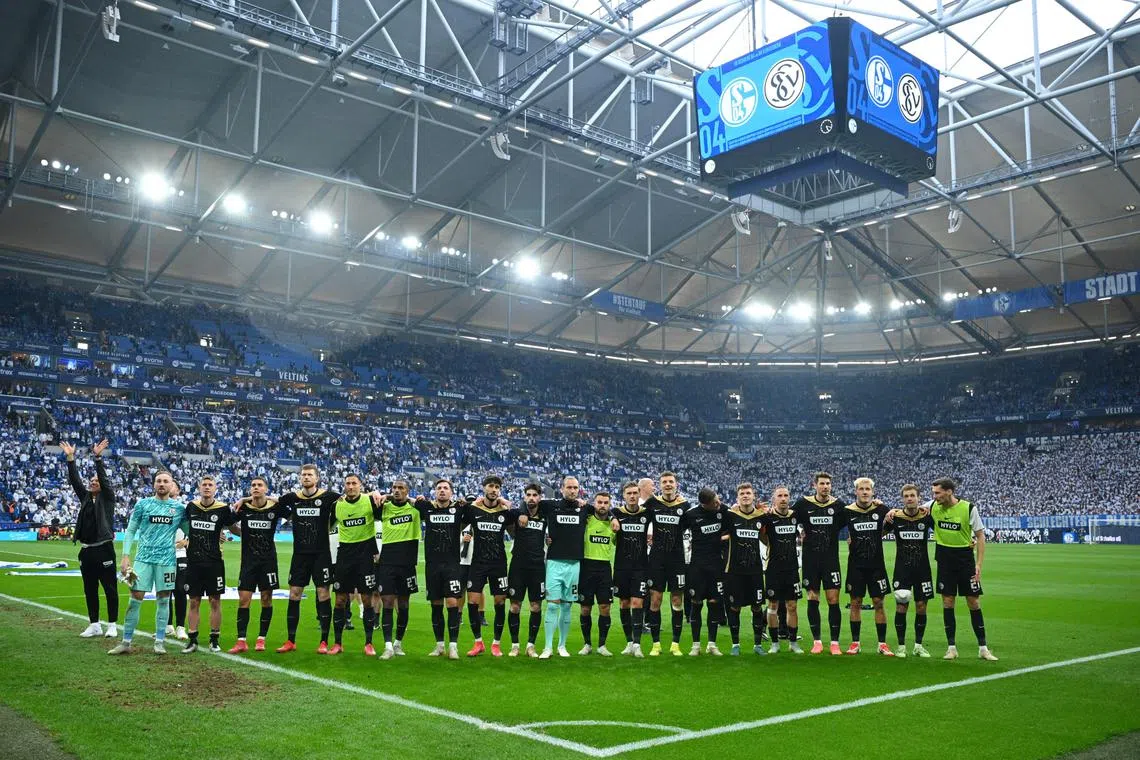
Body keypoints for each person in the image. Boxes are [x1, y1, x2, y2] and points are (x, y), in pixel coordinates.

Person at [108, 470, 187, 655]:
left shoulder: (178, 509)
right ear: (154, 484)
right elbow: (131, 530)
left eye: (165, 481)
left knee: (164, 600)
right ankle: (126, 642)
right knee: (135, 599)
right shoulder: (143, 504)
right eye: (158, 481)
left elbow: (191, 531)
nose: (161, 484)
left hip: (167, 561)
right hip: (143, 559)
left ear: (171, 485)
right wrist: (125, 556)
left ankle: (159, 642)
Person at [930, 478, 998, 661]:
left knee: (973, 602)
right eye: (933, 493)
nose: (934, 496)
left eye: (937, 492)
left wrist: (978, 564)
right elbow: (911, 508)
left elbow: (980, 536)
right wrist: (891, 511)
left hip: (965, 561)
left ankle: (983, 648)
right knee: (947, 602)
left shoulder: (968, 508)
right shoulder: (932, 506)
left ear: (949, 491)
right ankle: (951, 648)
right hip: (944, 560)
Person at [275, 464, 339, 654]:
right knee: (294, 593)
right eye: (303, 475)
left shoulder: (328, 496)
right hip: (300, 555)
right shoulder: (293, 498)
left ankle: (324, 641)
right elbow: (273, 502)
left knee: (323, 594)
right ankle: (290, 640)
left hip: (321, 554)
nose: (306, 477)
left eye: (310, 474)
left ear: (317, 478)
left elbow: (350, 499)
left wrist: (376, 494)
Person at [62, 439, 119, 640]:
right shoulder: (85, 498)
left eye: (96, 482)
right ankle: (94, 624)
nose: (93, 483)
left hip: (104, 549)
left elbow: (103, 479)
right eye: (91, 481)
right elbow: (75, 480)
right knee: (90, 589)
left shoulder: (108, 498)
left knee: (110, 588)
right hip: (86, 550)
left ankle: (112, 625)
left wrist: (98, 458)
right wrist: (70, 459)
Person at [464, 475, 522, 657]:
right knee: (472, 601)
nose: (494, 489)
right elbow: (459, 512)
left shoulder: (505, 513)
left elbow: (522, 514)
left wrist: (507, 502)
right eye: (490, 486)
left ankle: (496, 643)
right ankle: (478, 642)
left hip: (498, 563)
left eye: (497, 487)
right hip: (478, 563)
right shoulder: (473, 510)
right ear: (483, 488)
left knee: (499, 602)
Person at [227, 477, 285, 654]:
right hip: (248, 562)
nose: (256, 488)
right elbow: (229, 523)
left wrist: (275, 500)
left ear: (266, 488)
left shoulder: (274, 508)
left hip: (268, 561)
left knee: (266, 599)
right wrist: (242, 533)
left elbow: (290, 508)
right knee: (244, 599)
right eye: (253, 485)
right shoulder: (243, 508)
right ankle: (241, 640)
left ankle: (261, 638)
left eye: (260, 485)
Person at [794, 471, 847, 655]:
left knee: (834, 599)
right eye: (822, 483)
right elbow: (788, 518)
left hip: (831, 560)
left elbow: (854, 518)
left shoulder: (838, 505)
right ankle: (817, 641)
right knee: (812, 598)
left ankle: (834, 643)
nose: (825, 487)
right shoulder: (803, 504)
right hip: (810, 560)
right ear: (814, 485)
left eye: (828, 484)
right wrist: (800, 530)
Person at [537, 476, 591, 659]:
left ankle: (562, 646)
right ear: (562, 489)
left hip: (574, 564)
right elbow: (529, 503)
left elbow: (604, 509)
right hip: (554, 563)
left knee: (567, 606)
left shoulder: (584, 509)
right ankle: (547, 647)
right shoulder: (550, 506)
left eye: (575, 487)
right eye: (569, 487)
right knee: (552, 606)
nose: (572, 490)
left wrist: (614, 517)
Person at [180, 475, 235, 653]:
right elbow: (183, 524)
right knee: (194, 601)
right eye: (204, 484)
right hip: (194, 562)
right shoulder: (191, 507)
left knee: (215, 601)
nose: (207, 487)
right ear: (199, 487)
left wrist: (244, 535)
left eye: (210, 485)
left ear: (215, 488)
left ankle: (214, 640)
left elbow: (232, 526)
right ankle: (192, 639)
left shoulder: (223, 509)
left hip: (214, 562)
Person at [329, 474, 383, 655]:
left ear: (360, 486)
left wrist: (377, 494)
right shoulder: (337, 505)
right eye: (348, 483)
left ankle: (369, 643)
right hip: (344, 556)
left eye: (354, 483)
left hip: (365, 557)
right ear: (344, 486)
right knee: (340, 600)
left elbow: (392, 505)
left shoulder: (370, 501)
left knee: (367, 600)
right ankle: (337, 643)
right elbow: (326, 527)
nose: (351, 486)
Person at [414, 478, 465, 659]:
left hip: (452, 564)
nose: (442, 490)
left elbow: (478, 507)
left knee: (452, 603)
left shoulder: (459, 509)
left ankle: (453, 646)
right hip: (432, 565)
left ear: (451, 492)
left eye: (445, 488)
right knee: (436, 606)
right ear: (435, 492)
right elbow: (404, 500)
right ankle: (439, 645)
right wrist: (417, 499)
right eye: (439, 488)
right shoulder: (426, 507)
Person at [371, 479, 420, 660]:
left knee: (404, 606)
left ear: (408, 491)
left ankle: (398, 643)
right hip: (387, 563)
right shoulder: (384, 507)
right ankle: (388, 646)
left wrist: (413, 499)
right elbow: (363, 499)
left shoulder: (416, 509)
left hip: (407, 563)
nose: (397, 491)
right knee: (388, 604)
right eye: (394, 488)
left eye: (401, 488)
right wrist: (382, 495)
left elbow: (432, 506)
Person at [843, 478, 893, 656]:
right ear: (856, 491)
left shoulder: (881, 509)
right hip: (856, 565)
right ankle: (855, 643)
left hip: (876, 566)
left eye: (868, 489)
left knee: (879, 603)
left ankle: (882, 644)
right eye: (861, 489)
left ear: (873, 492)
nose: (865, 492)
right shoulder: (847, 511)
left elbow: (893, 523)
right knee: (855, 603)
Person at [642, 471, 690, 657]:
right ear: (660, 485)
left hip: (677, 560)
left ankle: (675, 644)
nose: (668, 484)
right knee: (656, 600)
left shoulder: (684, 506)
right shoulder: (652, 504)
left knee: (677, 601)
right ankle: (655, 644)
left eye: (671, 481)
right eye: (664, 482)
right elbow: (636, 517)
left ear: (676, 484)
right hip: (657, 560)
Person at [888, 484, 934, 658]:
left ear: (918, 498)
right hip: (902, 570)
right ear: (902, 499)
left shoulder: (927, 517)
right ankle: (901, 646)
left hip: (923, 569)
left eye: (912, 495)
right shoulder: (895, 517)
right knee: (902, 605)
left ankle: (918, 645)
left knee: (921, 607)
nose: (909, 498)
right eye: (906, 496)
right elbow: (878, 533)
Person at [723, 482, 766, 656]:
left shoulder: (761, 517)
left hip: (755, 571)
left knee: (757, 606)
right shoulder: (730, 516)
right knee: (735, 607)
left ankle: (757, 645)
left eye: (748, 493)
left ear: (753, 496)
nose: (745, 496)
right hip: (735, 571)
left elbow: (766, 537)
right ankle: (735, 644)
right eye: (742, 493)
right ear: (738, 497)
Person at [759, 486, 803, 654]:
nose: (783, 498)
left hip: (792, 568)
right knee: (773, 605)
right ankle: (775, 643)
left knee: (792, 606)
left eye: (786, 495)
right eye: (780, 496)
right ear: (774, 499)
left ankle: (793, 642)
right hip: (773, 568)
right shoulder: (767, 518)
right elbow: (760, 534)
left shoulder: (795, 515)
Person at [506, 483, 548, 657]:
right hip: (518, 565)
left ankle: (531, 645)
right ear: (524, 497)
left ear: (539, 497)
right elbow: (504, 509)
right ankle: (515, 645)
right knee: (515, 606)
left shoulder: (545, 514)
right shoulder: (516, 514)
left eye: (535, 495)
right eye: (528, 495)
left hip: (538, 566)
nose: (531, 498)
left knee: (536, 606)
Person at [683, 487, 727, 656]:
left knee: (714, 604)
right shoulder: (691, 514)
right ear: (704, 504)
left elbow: (733, 528)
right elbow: (679, 531)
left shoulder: (722, 510)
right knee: (697, 604)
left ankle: (712, 644)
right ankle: (695, 645)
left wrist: (720, 539)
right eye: (714, 502)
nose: (718, 503)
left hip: (716, 566)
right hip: (697, 567)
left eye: (717, 499)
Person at [611, 481, 650, 657]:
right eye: (629, 493)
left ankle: (637, 644)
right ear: (624, 495)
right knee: (624, 603)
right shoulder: (617, 513)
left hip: (640, 567)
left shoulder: (646, 513)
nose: (632, 496)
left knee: (637, 602)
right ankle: (628, 642)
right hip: (621, 567)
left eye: (635, 493)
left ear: (639, 494)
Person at [578, 492, 618, 656]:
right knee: (585, 608)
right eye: (599, 502)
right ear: (594, 504)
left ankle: (602, 645)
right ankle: (587, 644)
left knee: (605, 608)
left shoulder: (613, 525)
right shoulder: (586, 520)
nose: (602, 505)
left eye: (605, 503)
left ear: (609, 505)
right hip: (586, 566)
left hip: (604, 568)